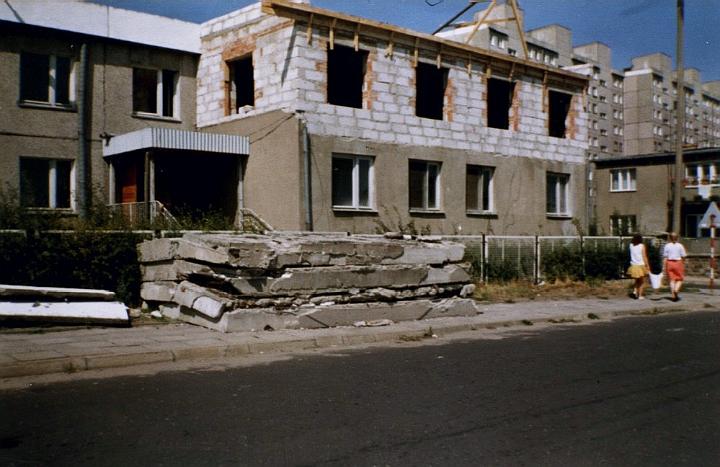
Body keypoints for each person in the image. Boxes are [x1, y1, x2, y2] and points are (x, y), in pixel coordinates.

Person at [663, 232, 687, 301]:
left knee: (671, 279)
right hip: (678, 263)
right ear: (677, 238)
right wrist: (683, 262)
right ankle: (676, 290)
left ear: (670, 238)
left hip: (669, 263)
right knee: (680, 279)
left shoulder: (667, 246)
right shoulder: (680, 246)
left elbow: (665, 256)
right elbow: (684, 255)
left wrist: (664, 266)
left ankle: (673, 295)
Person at [627, 234, 650, 299]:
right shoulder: (642, 246)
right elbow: (644, 256)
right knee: (641, 281)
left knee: (637, 280)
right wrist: (647, 265)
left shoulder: (631, 245)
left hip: (633, 265)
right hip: (640, 265)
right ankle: (640, 295)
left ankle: (635, 290)